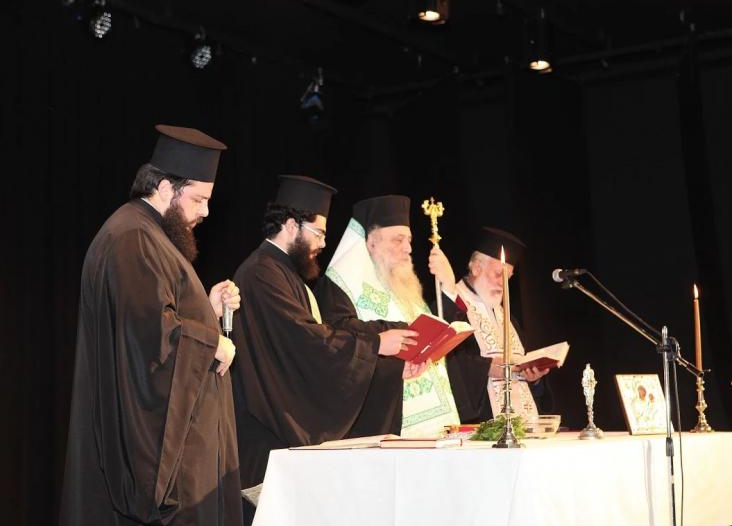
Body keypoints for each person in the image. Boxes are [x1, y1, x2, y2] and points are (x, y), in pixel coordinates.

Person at [60, 125, 243, 526]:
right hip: (168, 470)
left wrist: (207, 310)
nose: (205, 213)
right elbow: (146, 341)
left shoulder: (145, 234)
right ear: (164, 188)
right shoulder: (133, 238)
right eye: (198, 200)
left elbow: (156, 317)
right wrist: (212, 343)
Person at [230, 176, 418, 491]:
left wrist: (390, 367)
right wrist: (375, 345)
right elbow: (307, 344)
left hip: (276, 429)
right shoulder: (261, 273)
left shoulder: (282, 272)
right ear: (291, 225)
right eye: (318, 233)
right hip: (266, 433)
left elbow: (318, 340)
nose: (322, 244)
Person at [314, 195, 461, 437]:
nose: (408, 249)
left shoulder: (399, 281)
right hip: (386, 421)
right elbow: (340, 334)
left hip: (436, 424)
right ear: (370, 243)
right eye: (398, 240)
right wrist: (401, 329)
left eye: (409, 240)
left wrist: (448, 287)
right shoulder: (341, 284)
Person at [442, 227, 551, 424]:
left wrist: (534, 378)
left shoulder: (507, 317)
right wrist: (486, 367)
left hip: (523, 422)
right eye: (498, 274)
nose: (503, 284)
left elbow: (525, 373)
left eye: (508, 278)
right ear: (476, 268)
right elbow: (448, 363)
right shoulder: (451, 308)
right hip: (481, 422)